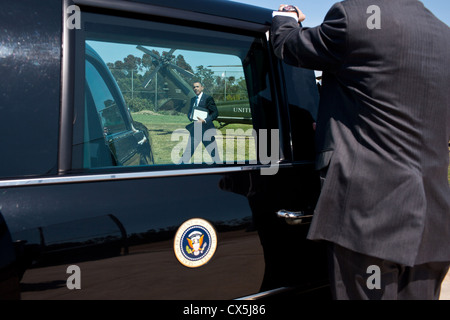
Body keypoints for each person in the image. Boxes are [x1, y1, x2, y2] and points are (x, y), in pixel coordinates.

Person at [271, 0, 450, 300]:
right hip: (433, 227)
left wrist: (285, 17)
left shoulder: (356, 17)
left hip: (369, 224)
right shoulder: (443, 35)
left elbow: (289, 46)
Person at [181, 81, 220, 163]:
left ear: (202, 88)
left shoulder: (208, 98)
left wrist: (205, 120)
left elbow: (215, 113)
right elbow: (190, 112)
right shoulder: (192, 100)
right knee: (188, 151)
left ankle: (220, 169)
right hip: (196, 129)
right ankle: (178, 169)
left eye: (197, 86)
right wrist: (190, 116)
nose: (195, 88)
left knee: (213, 153)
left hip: (206, 129)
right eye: (194, 87)